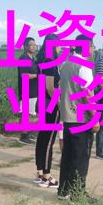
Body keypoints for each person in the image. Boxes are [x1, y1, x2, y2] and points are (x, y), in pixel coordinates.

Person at [58, 34, 99, 201]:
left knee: (68, 156)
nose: (93, 49)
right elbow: (87, 95)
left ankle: (63, 191)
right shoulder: (84, 67)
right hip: (81, 119)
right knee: (81, 158)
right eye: (92, 46)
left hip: (68, 117)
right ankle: (78, 195)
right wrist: (95, 118)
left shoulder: (65, 64)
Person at [34, 34, 61, 189]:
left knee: (42, 138)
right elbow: (50, 88)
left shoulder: (42, 60)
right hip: (50, 104)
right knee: (48, 141)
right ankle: (46, 176)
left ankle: (40, 173)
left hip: (42, 102)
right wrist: (59, 105)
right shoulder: (50, 62)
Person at [17, 37, 39, 145]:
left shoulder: (32, 59)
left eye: (35, 45)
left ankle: (27, 132)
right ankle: (23, 135)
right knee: (25, 113)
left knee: (30, 113)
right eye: (31, 45)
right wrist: (37, 75)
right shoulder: (23, 59)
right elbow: (24, 75)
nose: (34, 46)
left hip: (33, 89)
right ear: (25, 47)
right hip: (26, 89)